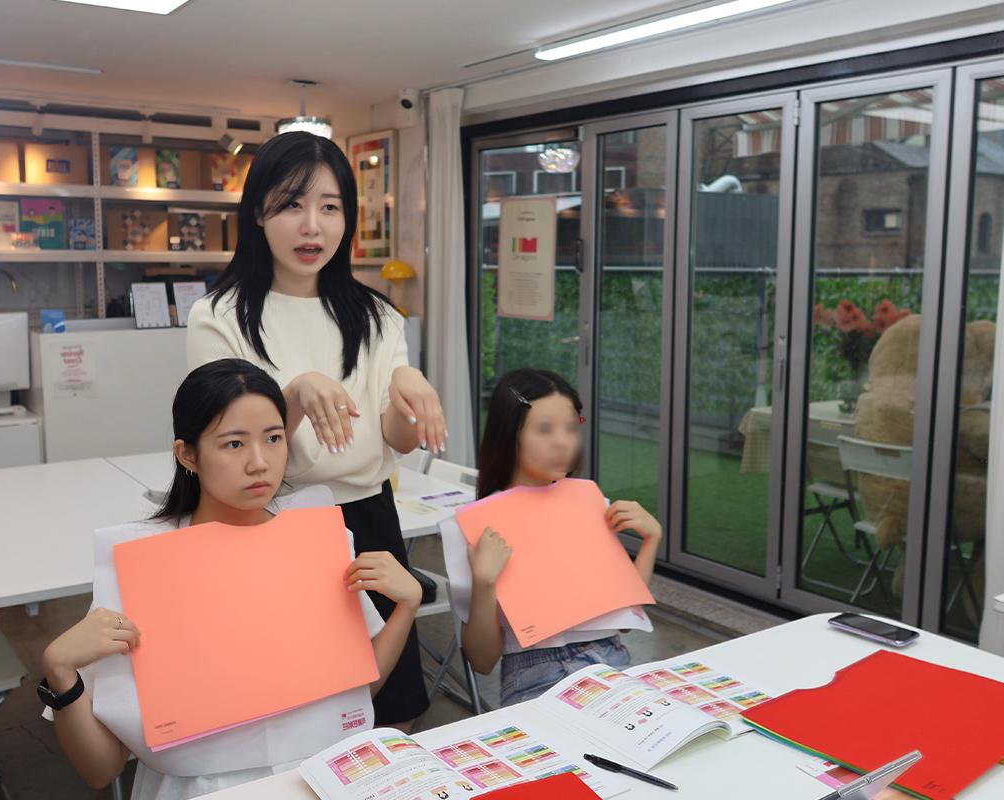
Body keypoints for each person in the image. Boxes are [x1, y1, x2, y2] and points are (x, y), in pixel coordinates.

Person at [41, 359, 421, 798]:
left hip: (322, 778)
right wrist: (59, 670)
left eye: (274, 438)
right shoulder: (142, 566)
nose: (259, 463)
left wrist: (406, 607)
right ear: (188, 454)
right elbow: (101, 768)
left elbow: (350, 697)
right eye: (234, 444)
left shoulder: (314, 541)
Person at [187, 132, 441, 727]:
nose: (312, 226)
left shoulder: (379, 316)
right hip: (268, 526)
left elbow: (394, 441)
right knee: (286, 712)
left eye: (329, 207)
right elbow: (223, 441)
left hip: (370, 521)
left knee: (389, 712)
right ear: (258, 212)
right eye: (291, 205)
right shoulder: (218, 316)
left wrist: (409, 397)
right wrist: (293, 395)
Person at [447, 368, 661, 706]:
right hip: (535, 680)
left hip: (613, 665)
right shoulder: (478, 525)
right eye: (545, 429)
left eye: (571, 427)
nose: (563, 442)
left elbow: (623, 620)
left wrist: (651, 540)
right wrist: (485, 583)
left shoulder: (590, 502)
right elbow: (482, 661)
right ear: (509, 434)